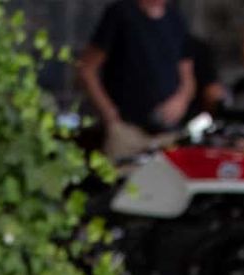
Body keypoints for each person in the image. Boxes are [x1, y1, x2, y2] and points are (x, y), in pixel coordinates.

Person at [77, 0, 196, 162]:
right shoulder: (121, 13)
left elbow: (188, 76)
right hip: (128, 132)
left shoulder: (176, 18)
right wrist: (110, 115)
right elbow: (87, 68)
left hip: (167, 135)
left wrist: (181, 100)